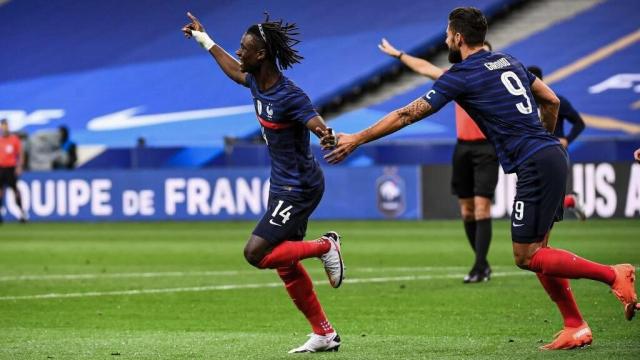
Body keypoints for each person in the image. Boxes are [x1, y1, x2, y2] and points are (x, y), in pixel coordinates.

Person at [323, 7, 638, 350]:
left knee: (527, 256)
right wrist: (543, 139)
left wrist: (356, 138)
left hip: (536, 162)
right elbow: (550, 99)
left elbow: (405, 114)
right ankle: (575, 325)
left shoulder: (461, 75)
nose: (445, 39)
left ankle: (613, 274)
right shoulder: (508, 61)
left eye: (447, 34)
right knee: (541, 250)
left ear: (458, 37)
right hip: (549, 156)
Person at [182, 12, 344, 353]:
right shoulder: (255, 79)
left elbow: (315, 121)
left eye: (244, 49)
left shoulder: (290, 95)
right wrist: (204, 39)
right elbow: (232, 70)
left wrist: (326, 136)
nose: (239, 53)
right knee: (284, 263)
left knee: (256, 253)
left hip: (300, 187)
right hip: (282, 184)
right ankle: (324, 333)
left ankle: (326, 246)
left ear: (262, 56)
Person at [379, 38, 497, 284]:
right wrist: (400, 54)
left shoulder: (493, 81)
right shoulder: (458, 78)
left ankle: (478, 266)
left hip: (487, 148)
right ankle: (482, 263)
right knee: (466, 209)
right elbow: (425, 68)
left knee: (482, 207)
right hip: (463, 147)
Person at [527, 66, 586, 221]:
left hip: (554, 152)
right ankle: (570, 201)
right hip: (532, 153)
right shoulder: (523, 103)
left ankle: (542, 243)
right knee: (538, 197)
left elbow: (579, 123)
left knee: (547, 199)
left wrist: (567, 139)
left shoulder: (554, 100)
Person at [0, 119, 27, 223]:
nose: (4, 127)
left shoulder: (14, 139)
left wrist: (19, 166)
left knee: (15, 191)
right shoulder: (0, 140)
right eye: (3, 126)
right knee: (0, 192)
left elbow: (20, 154)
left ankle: (22, 213)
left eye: (6, 125)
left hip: (11, 169)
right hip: (1, 168)